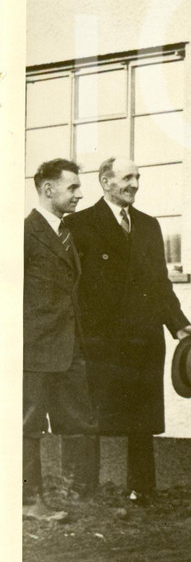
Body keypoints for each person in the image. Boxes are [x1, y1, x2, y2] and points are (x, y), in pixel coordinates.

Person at [67, 157, 191, 504]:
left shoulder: (149, 225)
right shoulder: (79, 224)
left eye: (138, 177)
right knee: (91, 416)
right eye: (127, 178)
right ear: (105, 182)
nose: (135, 184)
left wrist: (179, 324)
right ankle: (85, 491)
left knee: (142, 416)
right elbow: (71, 285)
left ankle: (143, 489)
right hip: (99, 340)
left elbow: (160, 283)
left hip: (143, 337)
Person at [23, 159, 99, 521]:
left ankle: (78, 497)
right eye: (72, 187)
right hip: (34, 349)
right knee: (28, 425)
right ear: (48, 189)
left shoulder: (66, 233)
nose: (80, 194)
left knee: (80, 423)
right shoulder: (23, 233)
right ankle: (28, 501)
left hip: (69, 348)